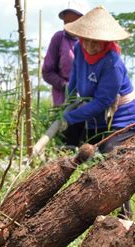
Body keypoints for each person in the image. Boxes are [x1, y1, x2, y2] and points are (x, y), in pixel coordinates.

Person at [63, 6, 135, 217]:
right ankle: (93, 206)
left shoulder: (112, 63)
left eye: (96, 41)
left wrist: (71, 116)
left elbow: (103, 101)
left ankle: (125, 215)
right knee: (88, 155)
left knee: (112, 158)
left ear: (106, 40)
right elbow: (75, 77)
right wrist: (68, 102)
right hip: (96, 117)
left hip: (122, 118)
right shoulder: (80, 49)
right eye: (86, 39)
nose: (90, 45)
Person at [43, 3, 87, 146]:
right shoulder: (59, 38)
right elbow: (47, 71)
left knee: (85, 140)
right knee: (65, 142)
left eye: (74, 21)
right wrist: (64, 85)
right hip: (64, 101)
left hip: (87, 100)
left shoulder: (89, 41)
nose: (69, 25)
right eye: (66, 22)